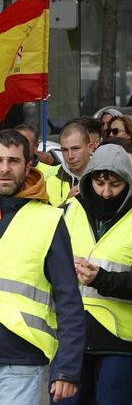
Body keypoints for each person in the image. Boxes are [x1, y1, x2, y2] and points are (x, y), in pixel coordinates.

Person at [62, 144, 132, 405]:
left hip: (123, 341)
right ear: (89, 178)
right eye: (99, 183)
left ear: (128, 180)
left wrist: (100, 279)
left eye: (114, 184)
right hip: (72, 337)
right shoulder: (67, 210)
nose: (105, 192)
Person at [0, 128, 84, 403]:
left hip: (19, 361)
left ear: (28, 165)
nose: (5, 169)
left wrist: (67, 369)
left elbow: (69, 300)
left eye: (13, 161)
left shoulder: (48, 220)